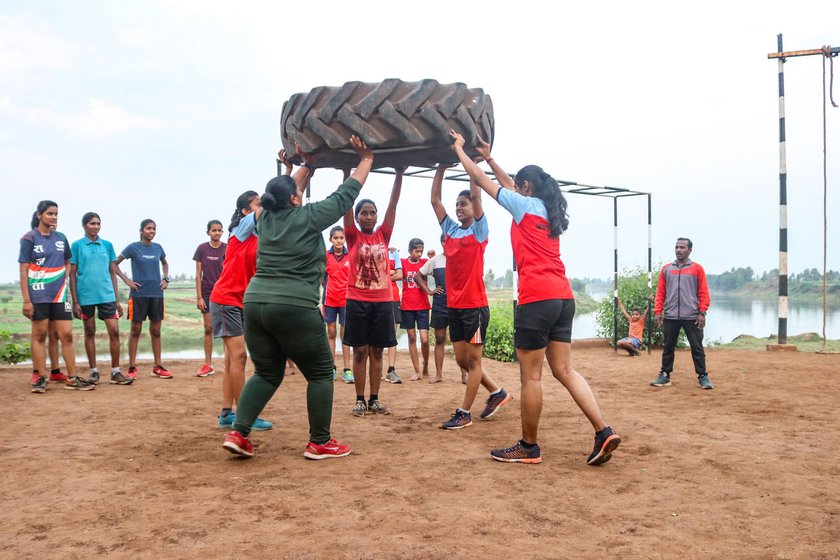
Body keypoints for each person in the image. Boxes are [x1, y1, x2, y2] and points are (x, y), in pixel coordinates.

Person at [449, 130, 620, 465]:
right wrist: (489, 155)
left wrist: (460, 150)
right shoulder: (545, 207)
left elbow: (481, 180)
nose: (513, 187)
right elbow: (505, 183)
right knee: (565, 369)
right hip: (563, 298)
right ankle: (603, 430)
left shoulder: (523, 205)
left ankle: (528, 446)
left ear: (525, 187)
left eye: (517, 184)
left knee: (532, 377)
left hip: (537, 299)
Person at [222, 135, 374, 459]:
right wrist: (366, 160)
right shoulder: (308, 218)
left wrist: (305, 164)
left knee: (266, 372)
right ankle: (320, 441)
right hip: (293, 305)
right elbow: (347, 193)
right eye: (297, 193)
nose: (301, 194)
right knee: (320, 372)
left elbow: (283, 191)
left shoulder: (264, 218)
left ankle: (239, 432)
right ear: (293, 199)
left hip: (255, 304)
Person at [427, 163, 510, 429]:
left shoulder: (479, 230)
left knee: (473, 362)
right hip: (455, 306)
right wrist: (440, 166)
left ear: (474, 207)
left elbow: (477, 195)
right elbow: (434, 199)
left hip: (474, 306)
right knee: (462, 360)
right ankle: (497, 393)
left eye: (464, 203)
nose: (459, 207)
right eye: (458, 204)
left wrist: (471, 165)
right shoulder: (450, 231)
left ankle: (464, 413)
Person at [209, 191, 273, 432]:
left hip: (240, 302)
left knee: (230, 360)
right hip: (226, 300)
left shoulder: (257, 235)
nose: (263, 206)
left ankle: (227, 413)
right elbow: (269, 203)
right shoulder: (242, 229)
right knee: (240, 358)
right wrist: (284, 177)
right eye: (257, 203)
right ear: (247, 211)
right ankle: (246, 415)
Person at [343, 169, 403, 417]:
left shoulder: (383, 234)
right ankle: (359, 399)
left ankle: (374, 399)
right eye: (363, 213)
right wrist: (347, 173)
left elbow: (393, 203)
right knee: (359, 351)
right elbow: (345, 202)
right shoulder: (351, 236)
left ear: (377, 217)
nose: (368, 216)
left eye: (372, 213)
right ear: (356, 218)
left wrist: (399, 174)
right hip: (356, 300)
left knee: (377, 351)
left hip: (382, 302)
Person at [20, 200, 92, 392]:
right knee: (40, 335)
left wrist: (63, 276)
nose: (53, 217)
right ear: (39, 215)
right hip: (38, 295)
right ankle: (41, 378)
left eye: (56, 214)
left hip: (60, 295)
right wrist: (27, 300)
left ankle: (72, 377)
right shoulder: (29, 239)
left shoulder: (61, 238)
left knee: (66, 335)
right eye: (50, 214)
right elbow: (24, 270)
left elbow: (68, 261)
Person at [69, 212, 133, 385]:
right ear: (84, 226)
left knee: (114, 331)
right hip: (85, 297)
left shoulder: (107, 245)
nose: (96, 226)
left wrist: (116, 299)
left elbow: (112, 271)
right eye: (92, 224)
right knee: (89, 331)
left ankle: (115, 372)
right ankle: (94, 372)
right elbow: (72, 275)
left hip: (106, 296)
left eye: (98, 223)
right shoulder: (76, 246)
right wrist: (75, 301)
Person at [650, 238, 713, 389]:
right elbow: (660, 293)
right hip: (671, 315)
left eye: (682, 247)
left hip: (692, 315)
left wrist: (702, 312)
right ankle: (665, 375)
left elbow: (703, 293)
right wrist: (658, 312)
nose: (678, 250)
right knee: (668, 347)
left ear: (690, 250)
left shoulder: (697, 269)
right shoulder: (667, 269)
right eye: (677, 247)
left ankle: (703, 377)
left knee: (697, 347)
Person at [115, 219, 171, 380]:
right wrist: (127, 281)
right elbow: (114, 264)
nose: (152, 231)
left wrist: (166, 279)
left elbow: (165, 263)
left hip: (157, 294)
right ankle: (132, 367)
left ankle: (158, 366)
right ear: (141, 231)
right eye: (148, 228)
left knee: (156, 331)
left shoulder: (158, 248)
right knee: (136, 330)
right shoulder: (133, 248)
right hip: (138, 294)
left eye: (154, 228)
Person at [414, 233, 465, 384]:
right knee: (440, 339)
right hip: (440, 305)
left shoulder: (461, 258)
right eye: (445, 241)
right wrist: (429, 291)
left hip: (458, 304)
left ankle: (464, 374)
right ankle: (438, 374)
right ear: (442, 242)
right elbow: (418, 276)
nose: (448, 243)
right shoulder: (435, 261)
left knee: (459, 340)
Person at [193, 219, 226, 377]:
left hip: (224, 292)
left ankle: (229, 362)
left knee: (228, 329)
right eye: (214, 230)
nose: (217, 233)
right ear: (208, 232)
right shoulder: (202, 249)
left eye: (219, 230)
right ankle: (208, 364)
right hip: (207, 293)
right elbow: (198, 274)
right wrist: (199, 297)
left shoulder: (227, 248)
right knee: (208, 328)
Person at [323, 225, 353, 384]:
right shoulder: (326, 255)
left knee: (345, 334)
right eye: (336, 238)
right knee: (331, 332)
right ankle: (331, 368)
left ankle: (347, 370)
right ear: (331, 240)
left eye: (341, 238)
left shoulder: (350, 255)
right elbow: (322, 276)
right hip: (330, 299)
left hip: (346, 299)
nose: (339, 241)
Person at [400, 238, 431, 381]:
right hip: (407, 305)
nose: (419, 254)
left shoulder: (425, 263)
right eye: (416, 251)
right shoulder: (403, 263)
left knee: (424, 339)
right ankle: (417, 370)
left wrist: (431, 258)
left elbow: (436, 268)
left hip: (423, 306)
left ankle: (425, 365)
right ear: (409, 251)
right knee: (411, 337)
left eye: (421, 251)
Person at [385, 247, 403, 383]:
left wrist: (382, 274)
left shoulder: (394, 253)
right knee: (376, 334)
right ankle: (377, 369)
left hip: (393, 296)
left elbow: (399, 275)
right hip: (376, 296)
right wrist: (389, 272)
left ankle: (391, 370)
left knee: (392, 333)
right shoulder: (371, 250)